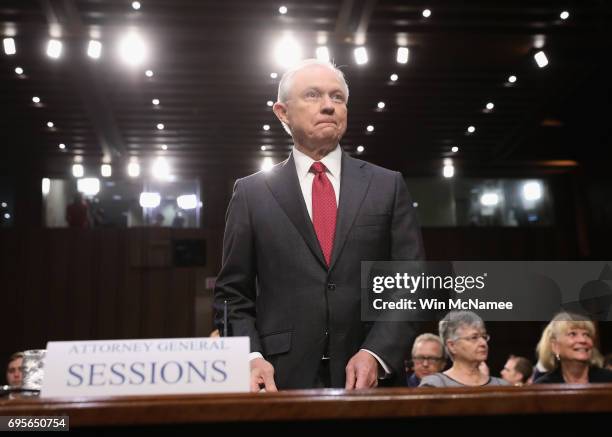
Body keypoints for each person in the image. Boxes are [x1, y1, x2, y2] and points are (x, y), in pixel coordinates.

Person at [213, 59, 424, 391]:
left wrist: (376, 352)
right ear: (282, 112)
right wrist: (251, 357)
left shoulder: (388, 185)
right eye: (313, 95)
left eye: (337, 97)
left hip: (370, 377)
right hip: (280, 377)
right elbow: (231, 295)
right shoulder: (251, 193)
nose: (328, 106)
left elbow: (410, 283)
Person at [419, 311, 509, 387]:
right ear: (452, 346)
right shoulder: (434, 385)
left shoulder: (502, 386)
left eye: (484, 336)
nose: (483, 343)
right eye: (474, 337)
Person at [534, 312, 612, 384]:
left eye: (587, 335)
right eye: (573, 334)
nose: (583, 340)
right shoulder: (542, 386)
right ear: (555, 346)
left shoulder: (608, 380)